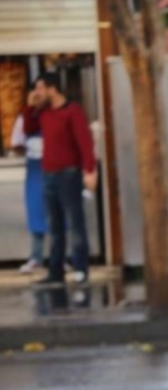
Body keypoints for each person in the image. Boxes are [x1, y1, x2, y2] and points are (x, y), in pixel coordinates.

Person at [22, 71, 96, 286]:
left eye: (40, 88)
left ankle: (80, 268)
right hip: (48, 173)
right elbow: (29, 128)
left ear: (52, 89)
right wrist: (29, 107)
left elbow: (85, 142)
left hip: (68, 174)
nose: (37, 93)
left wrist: (89, 170)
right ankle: (55, 270)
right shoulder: (43, 113)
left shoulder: (72, 112)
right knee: (54, 225)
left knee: (75, 221)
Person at [10, 106, 46, 274]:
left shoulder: (56, 114)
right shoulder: (25, 118)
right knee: (36, 212)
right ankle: (36, 257)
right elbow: (16, 144)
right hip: (35, 170)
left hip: (56, 168)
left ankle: (60, 257)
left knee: (58, 213)